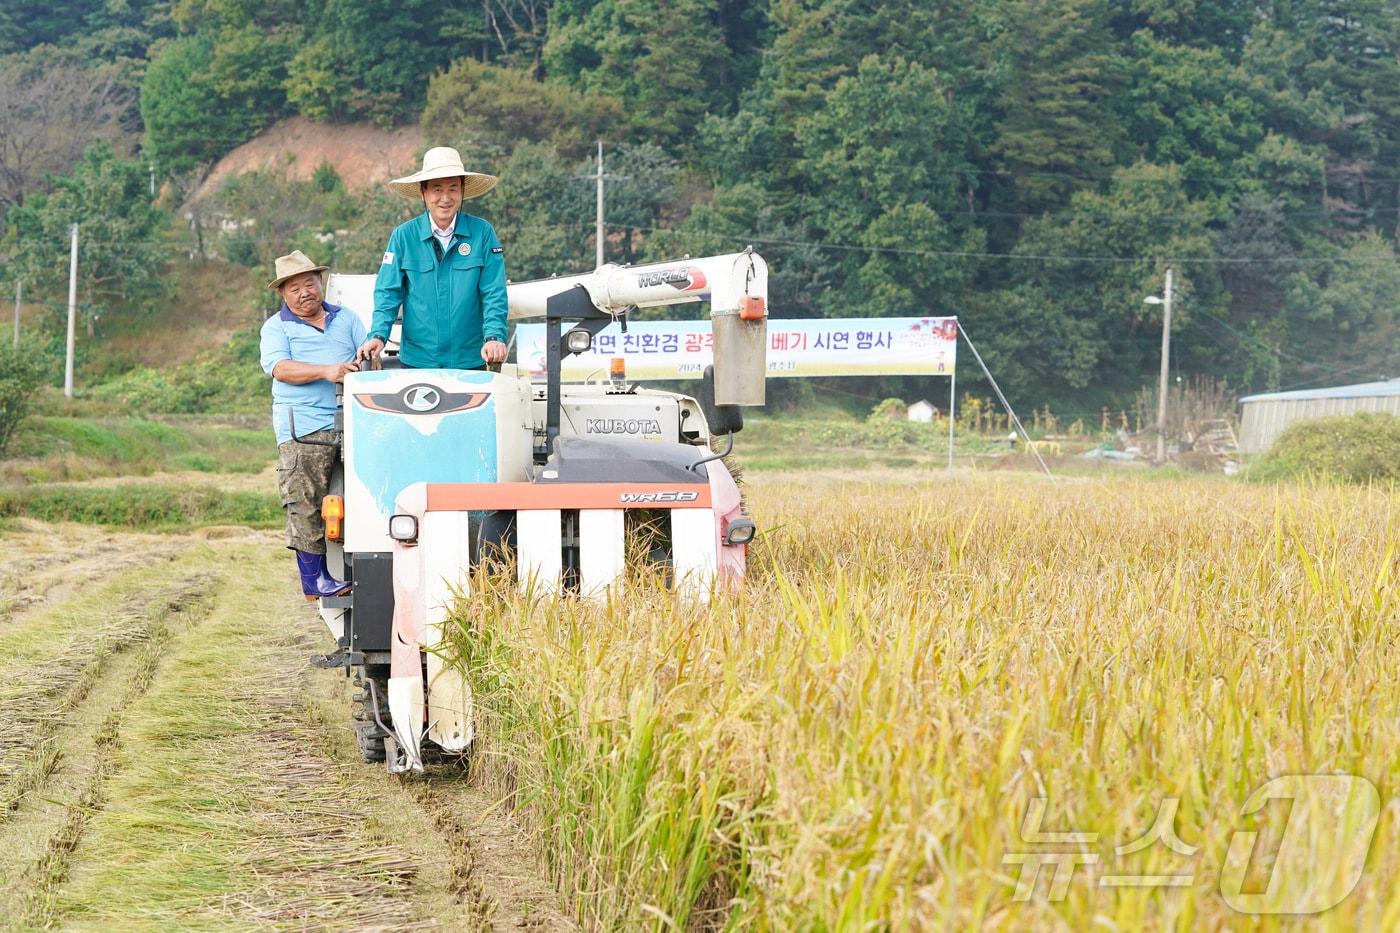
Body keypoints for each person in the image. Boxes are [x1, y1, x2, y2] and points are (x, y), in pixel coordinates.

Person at [259, 250, 366, 600]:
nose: (305, 292)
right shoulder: (276, 327)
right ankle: (314, 581)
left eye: (310, 283)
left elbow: (366, 356)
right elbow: (280, 369)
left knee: (365, 496)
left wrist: (365, 363)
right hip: (303, 428)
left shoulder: (347, 318)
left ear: (321, 283)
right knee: (303, 501)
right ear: (283, 294)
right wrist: (327, 370)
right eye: (294, 288)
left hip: (352, 420)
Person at [356, 146, 509, 369]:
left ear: (462, 191)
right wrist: (378, 335)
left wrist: (494, 337)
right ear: (423, 193)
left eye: (453, 189)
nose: (445, 198)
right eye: (437, 189)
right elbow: (387, 293)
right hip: (418, 360)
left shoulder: (483, 233)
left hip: (470, 359)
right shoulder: (403, 236)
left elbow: (494, 292)